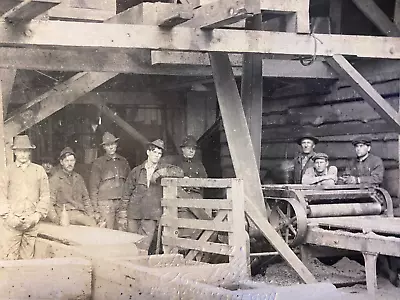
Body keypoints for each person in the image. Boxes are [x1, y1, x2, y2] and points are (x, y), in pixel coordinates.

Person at [122, 139, 184, 254]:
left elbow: (180, 172)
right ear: (148, 152)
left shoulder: (162, 168)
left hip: (151, 213)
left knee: (143, 246)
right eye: (154, 152)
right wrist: (123, 213)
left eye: (159, 153)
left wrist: (161, 173)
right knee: (131, 244)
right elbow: (126, 193)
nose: (157, 155)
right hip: (134, 212)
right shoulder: (137, 171)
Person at [0, 135, 50, 260]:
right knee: (9, 261)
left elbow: (45, 196)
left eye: (26, 151)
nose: (22, 154)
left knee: (27, 263)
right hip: (11, 225)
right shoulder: (7, 171)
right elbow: (1, 196)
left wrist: (36, 216)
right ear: (15, 152)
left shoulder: (39, 171)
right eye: (19, 151)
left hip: (31, 225)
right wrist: (9, 217)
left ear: (30, 152)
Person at [89, 132, 130, 230]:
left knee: (122, 232)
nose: (111, 147)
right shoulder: (98, 163)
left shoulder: (123, 161)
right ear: (104, 147)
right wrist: (96, 209)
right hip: (105, 204)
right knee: (107, 231)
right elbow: (93, 187)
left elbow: (129, 184)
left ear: (116, 145)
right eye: (108, 145)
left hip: (121, 202)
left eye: (113, 144)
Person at [47, 147, 97, 227]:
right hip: (65, 213)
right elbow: (49, 203)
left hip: (79, 212)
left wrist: (91, 215)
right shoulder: (55, 179)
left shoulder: (79, 178)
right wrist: (55, 219)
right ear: (61, 162)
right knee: (90, 224)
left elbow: (86, 199)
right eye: (66, 161)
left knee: (92, 222)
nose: (69, 164)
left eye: (72, 161)